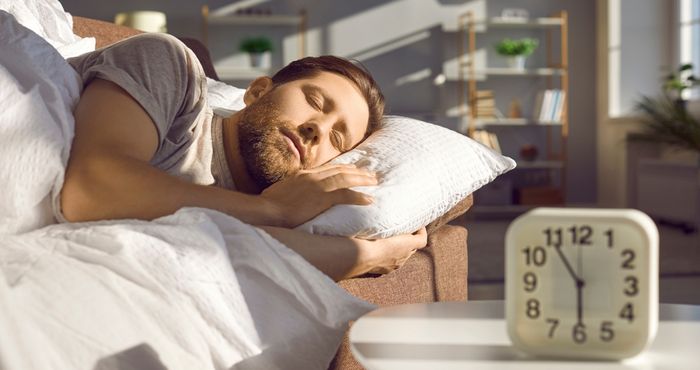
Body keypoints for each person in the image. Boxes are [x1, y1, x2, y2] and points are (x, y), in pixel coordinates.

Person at [59, 33, 426, 281]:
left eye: (337, 137)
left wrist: (373, 256)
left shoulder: (270, 214)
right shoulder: (173, 69)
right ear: (258, 90)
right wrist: (275, 211)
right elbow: (91, 189)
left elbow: (253, 248)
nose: (317, 128)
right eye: (314, 102)